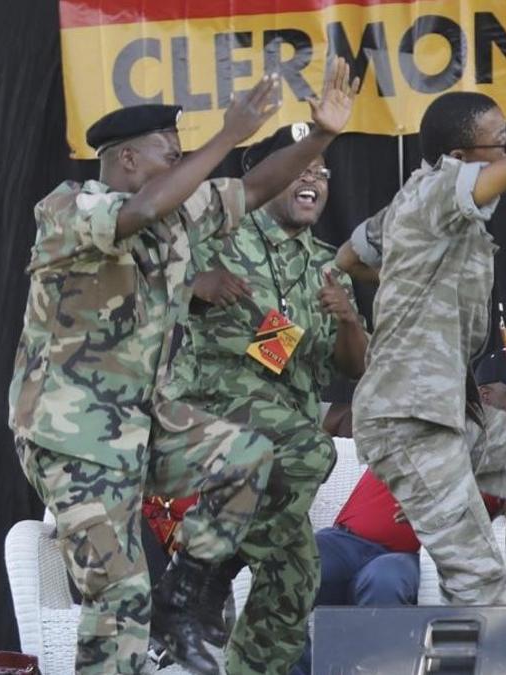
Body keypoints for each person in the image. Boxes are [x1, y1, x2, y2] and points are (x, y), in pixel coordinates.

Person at [7, 59, 356, 675]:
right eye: (171, 154)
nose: (183, 163)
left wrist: (320, 135)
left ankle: (185, 597)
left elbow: (249, 192)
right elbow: (135, 214)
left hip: (148, 420)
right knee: (118, 596)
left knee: (247, 456)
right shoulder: (67, 209)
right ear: (128, 161)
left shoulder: (175, 212)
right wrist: (229, 137)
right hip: (74, 437)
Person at [335, 62, 506, 605]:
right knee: (479, 576)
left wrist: (412, 276)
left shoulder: (411, 205)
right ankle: (496, 647)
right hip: (406, 420)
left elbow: (349, 256)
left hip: (446, 415)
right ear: (459, 159)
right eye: (499, 142)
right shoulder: (440, 189)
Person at [158, 108, 367, 672]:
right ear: (269, 177)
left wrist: (348, 319)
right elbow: (142, 280)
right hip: (212, 414)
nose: (313, 180)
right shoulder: (215, 235)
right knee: (313, 450)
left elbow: (354, 364)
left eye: (323, 173)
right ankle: (199, 576)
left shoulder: (330, 266)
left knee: (296, 576)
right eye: (300, 169)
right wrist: (193, 285)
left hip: (281, 431)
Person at [291, 349, 506, 675]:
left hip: (413, 557)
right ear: (485, 395)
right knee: (289, 568)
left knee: (383, 580)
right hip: (347, 541)